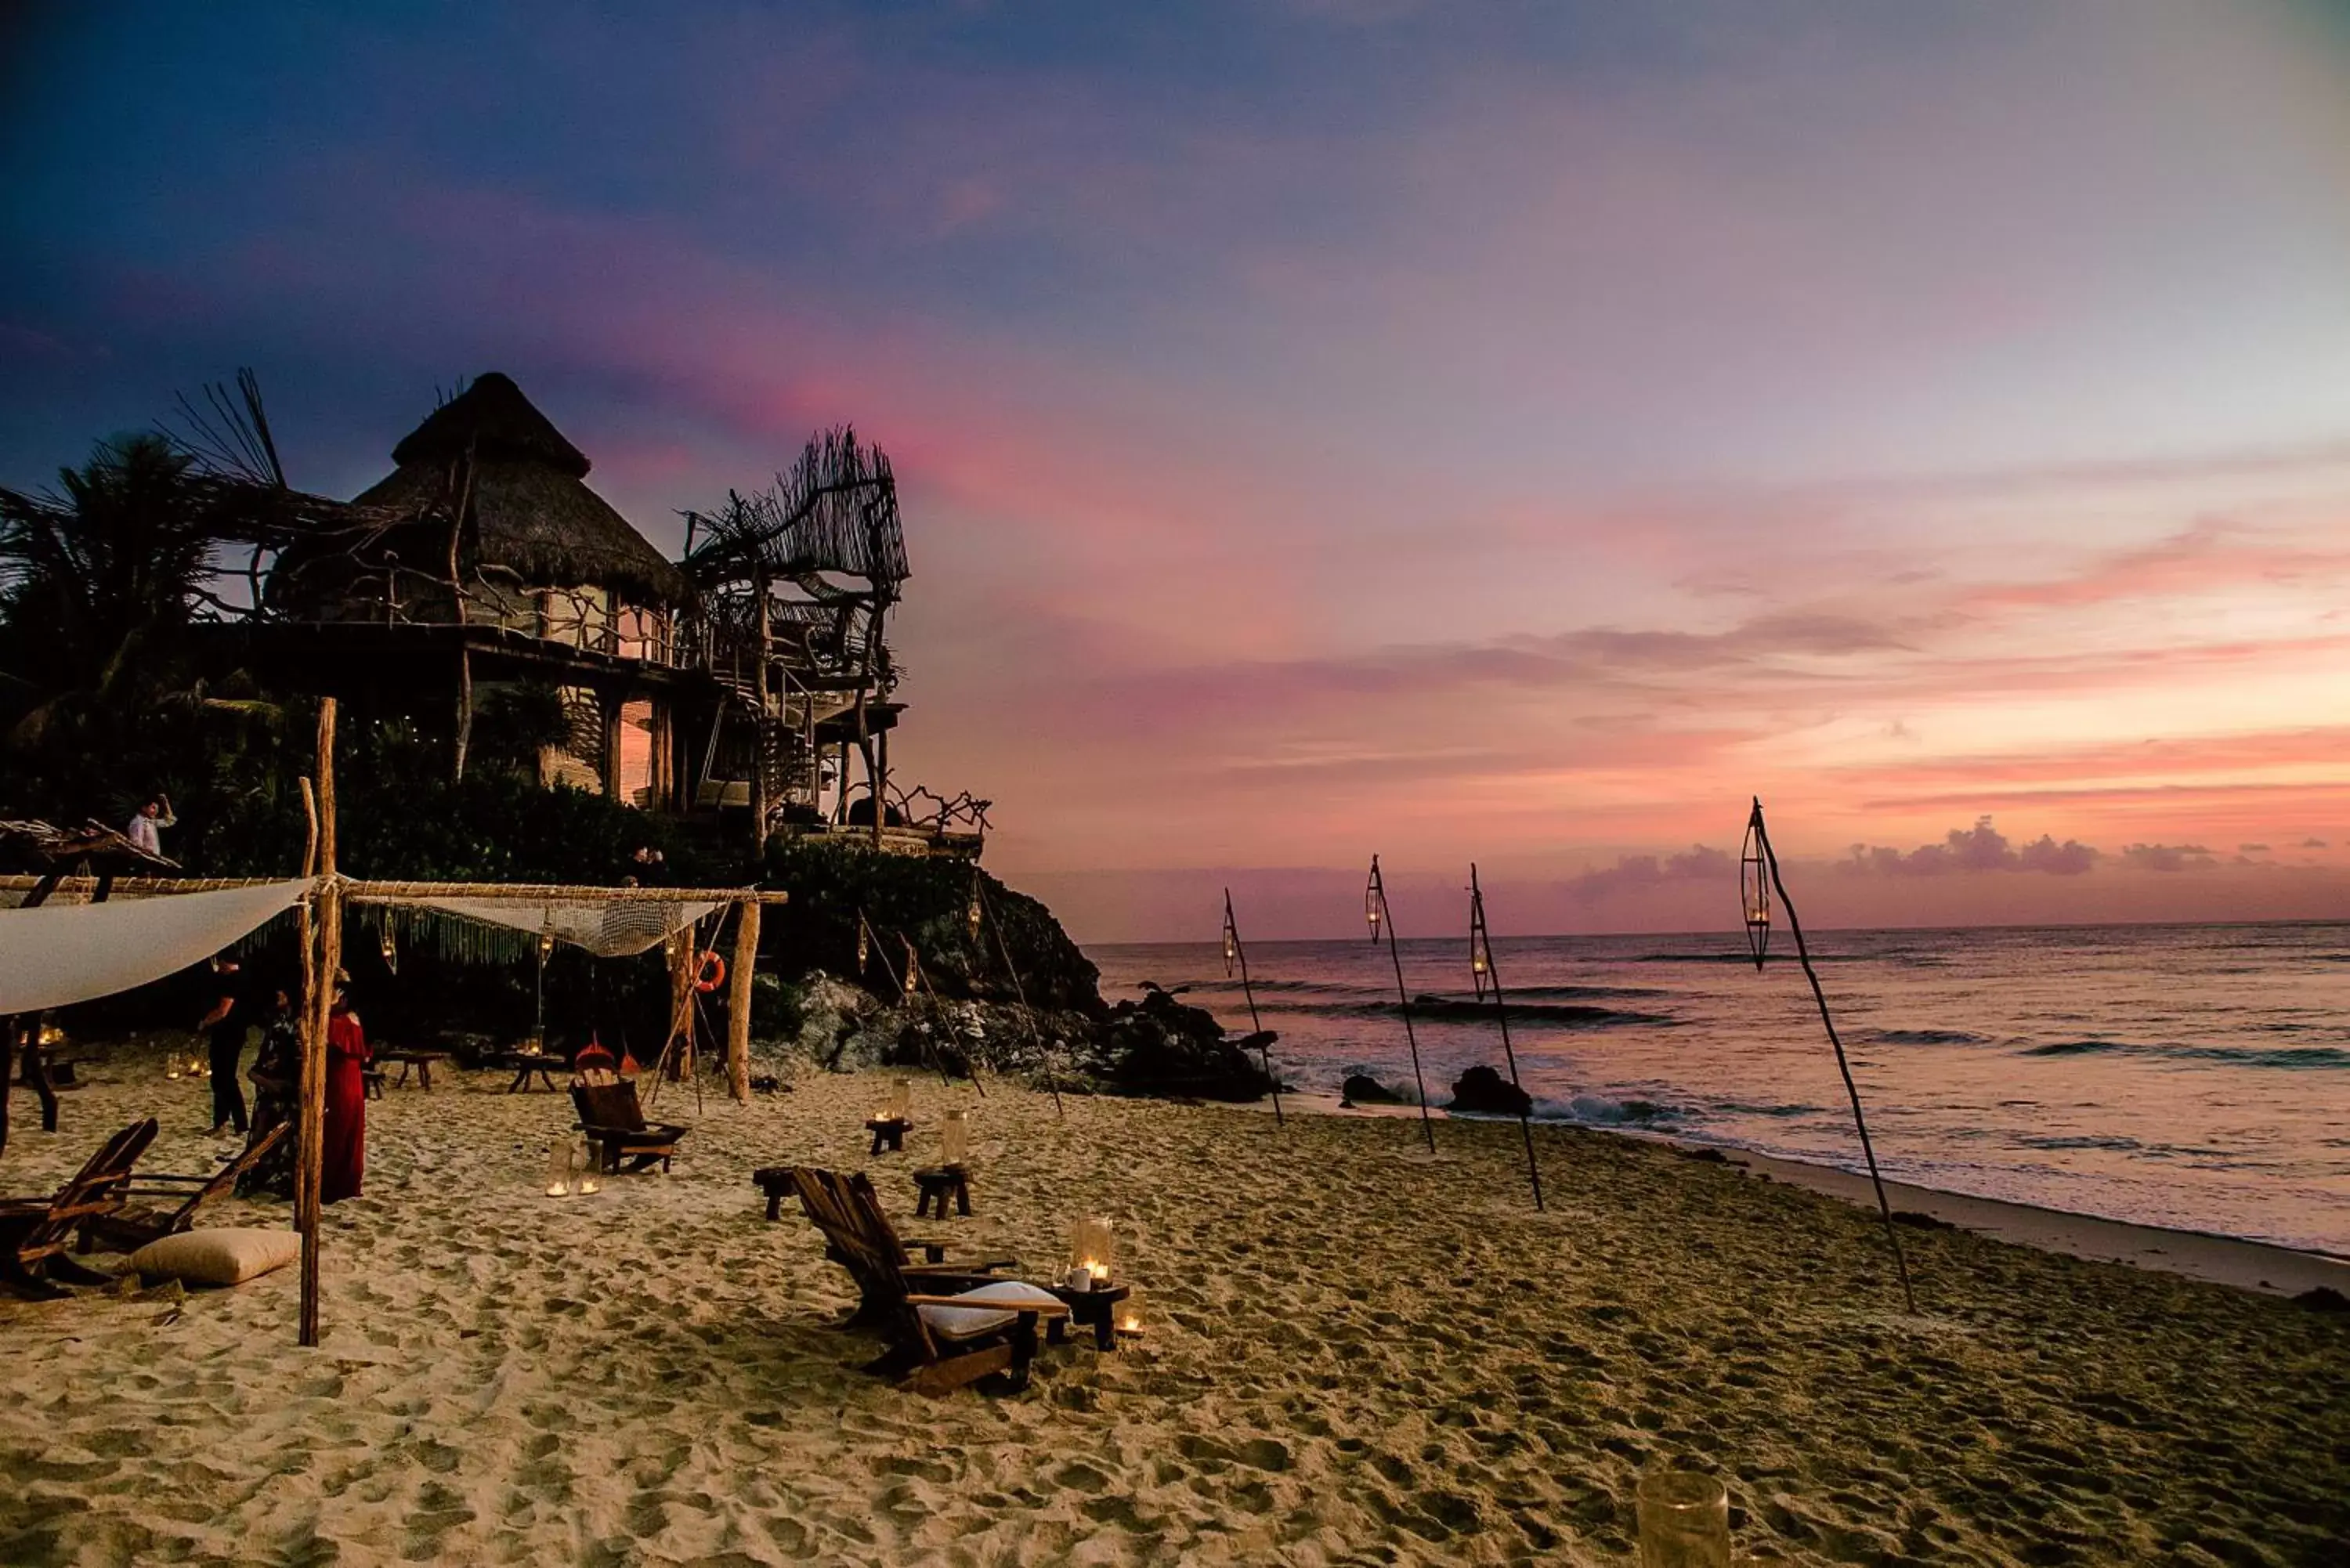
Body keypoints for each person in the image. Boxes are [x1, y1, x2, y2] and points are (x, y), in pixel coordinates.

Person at [321, 981, 371, 1204]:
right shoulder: (347, 1020)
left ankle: (337, 1184)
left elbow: (327, 1032)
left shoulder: (343, 1022)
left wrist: (328, 1006)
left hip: (343, 1080)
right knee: (342, 1131)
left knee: (339, 1131)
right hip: (347, 1079)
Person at [196, 955, 249, 1136]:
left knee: (224, 1080)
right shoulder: (239, 978)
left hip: (229, 1036)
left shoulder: (232, 981)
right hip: (232, 1034)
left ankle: (233, 1124)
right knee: (222, 1079)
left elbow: (223, 1010)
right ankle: (228, 1123)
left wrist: (205, 1022)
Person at [126, 794, 175, 858]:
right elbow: (137, 844)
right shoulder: (138, 822)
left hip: (152, 859)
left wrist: (166, 803)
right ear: (144, 808)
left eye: (157, 809)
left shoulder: (151, 822)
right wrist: (145, 850)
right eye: (153, 808)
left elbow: (170, 821)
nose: (156, 812)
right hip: (142, 859)